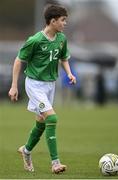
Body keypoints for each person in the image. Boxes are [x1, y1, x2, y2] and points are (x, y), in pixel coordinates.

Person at [8, 4, 76, 174]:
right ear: (52, 21)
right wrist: (14, 86)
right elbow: (18, 60)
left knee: (41, 123)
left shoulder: (62, 39)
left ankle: (26, 151)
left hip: (50, 85)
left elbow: (63, 58)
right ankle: (55, 163)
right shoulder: (35, 40)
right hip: (34, 85)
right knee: (52, 118)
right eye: (62, 20)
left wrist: (69, 73)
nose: (65, 23)